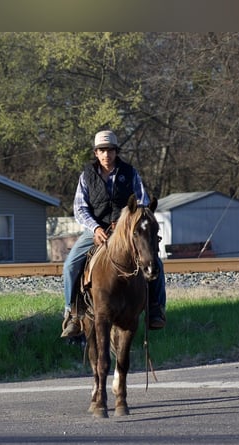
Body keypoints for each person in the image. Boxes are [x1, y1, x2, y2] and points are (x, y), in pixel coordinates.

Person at [61, 129, 167, 338]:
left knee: (156, 263)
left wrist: (128, 223)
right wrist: (96, 228)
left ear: (116, 152)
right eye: (102, 150)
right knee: (70, 265)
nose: (106, 154)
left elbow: (142, 203)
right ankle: (72, 313)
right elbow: (80, 209)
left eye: (110, 150)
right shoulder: (86, 176)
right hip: (96, 229)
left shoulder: (130, 173)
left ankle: (156, 308)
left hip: (126, 231)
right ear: (96, 153)